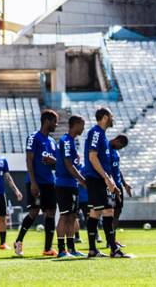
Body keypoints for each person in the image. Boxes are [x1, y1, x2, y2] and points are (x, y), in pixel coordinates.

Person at [83, 107, 129, 258]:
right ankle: (114, 250)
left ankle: (93, 250)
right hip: (96, 179)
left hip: (100, 179)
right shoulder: (96, 133)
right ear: (104, 117)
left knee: (95, 213)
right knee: (108, 211)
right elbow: (93, 157)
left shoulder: (102, 135)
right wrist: (107, 178)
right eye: (111, 115)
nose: (113, 118)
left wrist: (110, 180)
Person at [14, 109, 59, 257]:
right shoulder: (34, 137)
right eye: (54, 121)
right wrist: (33, 183)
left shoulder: (52, 142)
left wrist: (54, 161)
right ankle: (18, 241)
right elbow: (29, 160)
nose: (56, 125)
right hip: (36, 182)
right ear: (47, 121)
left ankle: (47, 248)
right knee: (34, 212)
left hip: (49, 182)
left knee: (51, 212)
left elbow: (56, 163)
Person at [54, 116, 87, 258]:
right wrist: (82, 180)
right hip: (64, 184)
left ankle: (72, 249)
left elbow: (72, 162)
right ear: (76, 124)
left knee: (72, 216)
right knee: (64, 216)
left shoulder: (71, 142)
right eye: (82, 125)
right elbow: (68, 164)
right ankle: (62, 250)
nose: (83, 128)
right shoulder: (66, 141)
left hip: (71, 184)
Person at [109, 135, 132, 236]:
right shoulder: (106, 148)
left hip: (118, 185)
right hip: (110, 185)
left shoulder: (116, 152)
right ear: (117, 140)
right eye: (121, 146)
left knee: (118, 210)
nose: (120, 148)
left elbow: (117, 169)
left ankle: (112, 237)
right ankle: (109, 238)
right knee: (109, 212)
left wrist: (124, 184)